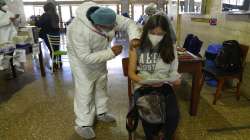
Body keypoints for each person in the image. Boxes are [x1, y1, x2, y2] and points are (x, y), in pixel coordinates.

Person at [66, 1, 141, 139]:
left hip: (100, 52)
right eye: (110, 27)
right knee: (85, 89)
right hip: (81, 60)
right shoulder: (77, 30)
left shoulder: (107, 16)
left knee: (101, 82)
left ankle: (101, 112)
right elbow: (85, 57)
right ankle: (83, 124)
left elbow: (129, 23)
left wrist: (134, 38)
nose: (114, 28)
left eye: (114, 25)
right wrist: (111, 52)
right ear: (97, 25)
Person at [128, 14, 180, 140]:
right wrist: (144, 81)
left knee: (173, 115)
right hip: (143, 86)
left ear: (166, 33)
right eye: (152, 32)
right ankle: (152, 136)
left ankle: (164, 135)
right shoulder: (137, 46)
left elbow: (173, 71)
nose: (156, 36)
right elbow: (131, 72)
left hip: (164, 86)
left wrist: (175, 80)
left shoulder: (170, 48)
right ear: (147, 31)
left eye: (160, 33)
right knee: (151, 115)